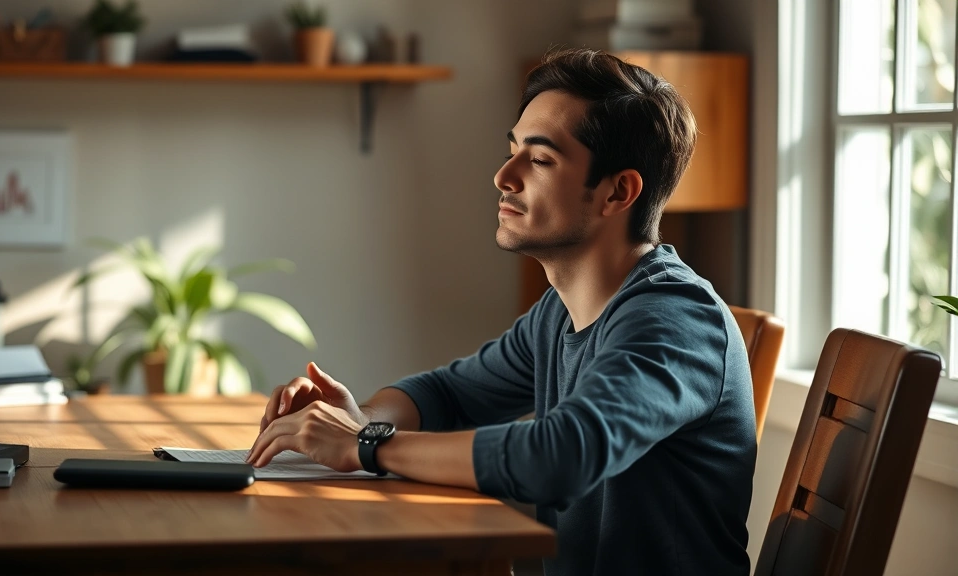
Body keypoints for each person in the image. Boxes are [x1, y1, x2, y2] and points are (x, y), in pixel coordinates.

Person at [246, 48, 756, 576]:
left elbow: (558, 457)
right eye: (512, 150)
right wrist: (363, 418)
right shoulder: (560, 314)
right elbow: (449, 393)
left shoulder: (677, 320)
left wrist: (366, 446)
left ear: (618, 192)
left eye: (539, 159)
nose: (503, 176)